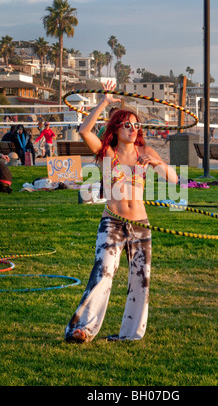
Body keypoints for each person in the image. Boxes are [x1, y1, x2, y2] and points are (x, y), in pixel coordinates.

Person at [65, 81, 178, 343]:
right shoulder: (106, 152)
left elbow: (173, 180)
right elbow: (84, 130)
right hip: (112, 222)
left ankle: (131, 334)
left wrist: (158, 162)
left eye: (136, 124)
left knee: (141, 280)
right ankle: (83, 329)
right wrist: (104, 102)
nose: (133, 128)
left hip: (140, 224)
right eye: (127, 124)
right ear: (116, 129)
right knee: (102, 273)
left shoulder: (145, 152)